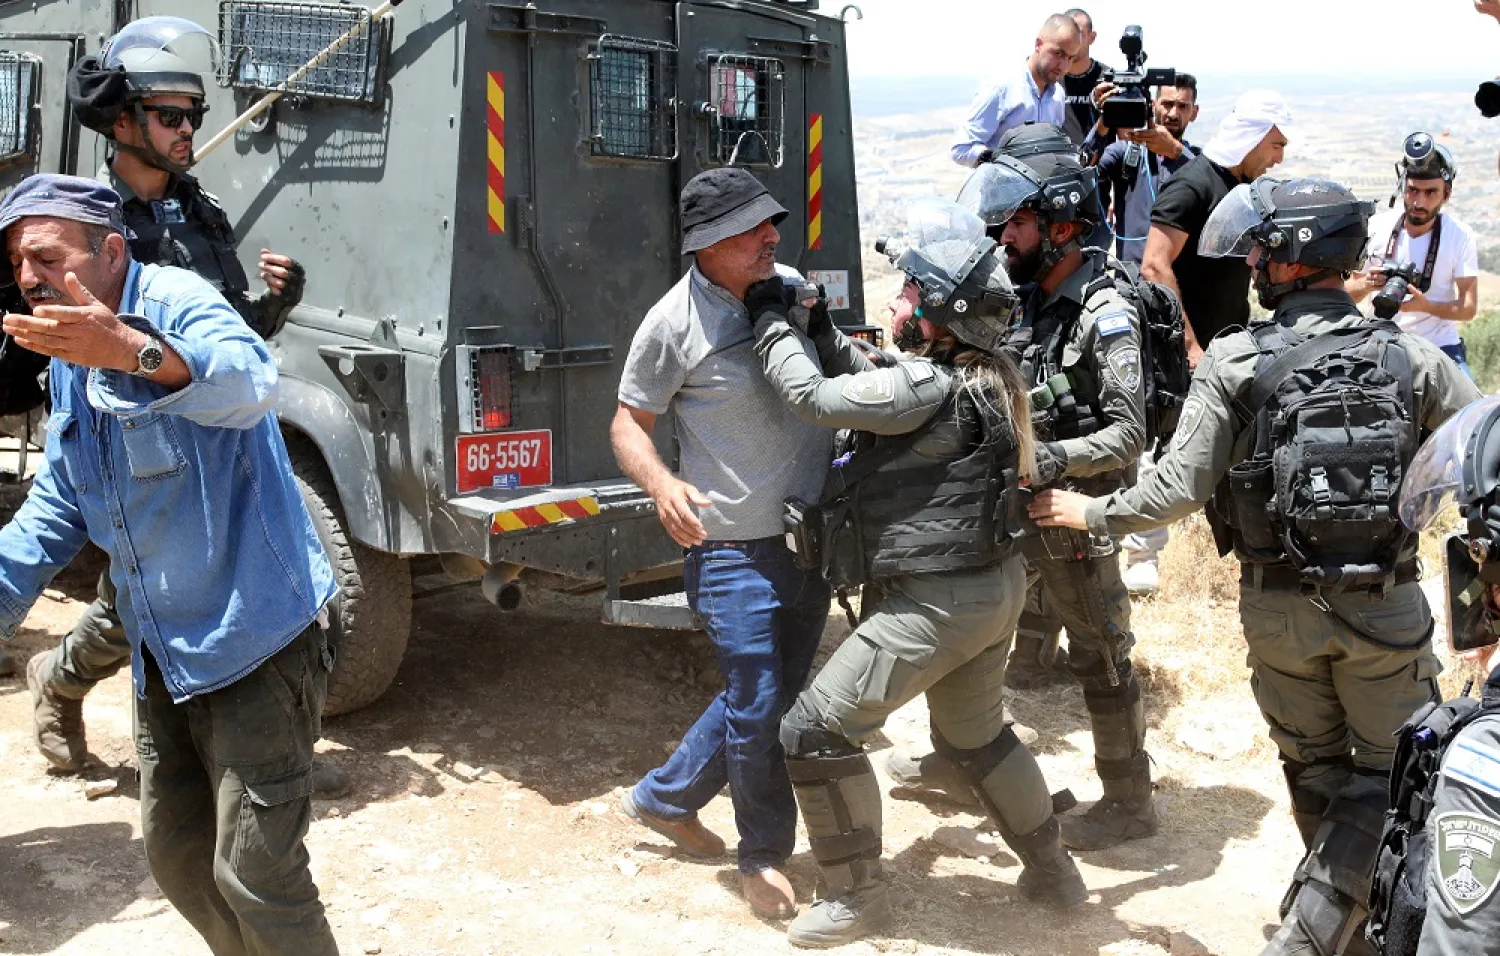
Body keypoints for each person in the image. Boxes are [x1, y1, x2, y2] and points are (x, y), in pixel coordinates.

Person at [1028, 176, 1481, 956]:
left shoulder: (1237, 359)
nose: (1252, 261)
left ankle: (1317, 929)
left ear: (1296, 257)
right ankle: (1349, 928)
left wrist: (1090, 511)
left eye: (1263, 248)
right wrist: (1480, 602)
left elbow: (1176, 488)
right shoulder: (1411, 358)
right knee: (1389, 779)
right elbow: (1481, 463)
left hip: (1275, 613)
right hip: (1387, 608)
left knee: (1314, 770)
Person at [0, 173, 340, 954]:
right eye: (20, 263)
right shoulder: (65, 356)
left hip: (258, 640)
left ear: (111, 252)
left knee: (260, 873)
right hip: (164, 651)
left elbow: (252, 383)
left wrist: (131, 350)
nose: (28, 277)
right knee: (179, 856)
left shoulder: (177, 300)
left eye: (46, 257)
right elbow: (60, 498)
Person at [752, 196, 1087, 947]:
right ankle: (1054, 871)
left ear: (939, 310)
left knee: (814, 730)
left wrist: (771, 319)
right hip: (992, 589)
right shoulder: (983, 375)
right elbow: (873, 379)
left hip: (936, 602)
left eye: (909, 289)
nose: (898, 297)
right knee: (978, 738)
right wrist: (817, 328)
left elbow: (815, 396)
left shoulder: (928, 386)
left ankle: (856, 898)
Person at [24, 16, 332, 790]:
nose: (189, 128)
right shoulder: (85, 229)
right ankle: (69, 688)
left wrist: (273, 307)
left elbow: (222, 345)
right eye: (170, 115)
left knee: (209, 590)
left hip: (215, 439)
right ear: (122, 122)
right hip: (133, 446)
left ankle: (270, 756)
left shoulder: (196, 212)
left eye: (192, 114)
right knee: (144, 594)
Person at [611, 167, 832, 920]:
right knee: (760, 699)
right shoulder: (671, 324)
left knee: (769, 697)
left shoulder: (789, 287)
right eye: (752, 229)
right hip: (733, 549)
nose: (774, 236)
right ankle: (762, 856)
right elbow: (626, 423)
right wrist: (661, 484)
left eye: (772, 222)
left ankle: (663, 797)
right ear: (706, 244)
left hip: (811, 538)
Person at [950, 146, 1158, 852]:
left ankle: (1130, 801)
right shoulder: (1029, 298)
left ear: (1062, 226)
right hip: (1017, 508)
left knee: (1100, 654)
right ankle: (958, 762)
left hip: (1074, 515)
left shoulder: (1105, 310)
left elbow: (1131, 432)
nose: (1000, 238)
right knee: (970, 631)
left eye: (1014, 224)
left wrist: (1050, 461)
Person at [1090, 75, 1201, 595]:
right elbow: (1081, 176)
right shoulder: (1125, 156)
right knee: (1121, 413)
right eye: (1164, 104)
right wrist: (1100, 123)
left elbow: (1205, 181)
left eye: (1181, 106)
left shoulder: (1195, 163)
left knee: (1165, 423)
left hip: (1173, 311)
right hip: (1125, 299)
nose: (1171, 112)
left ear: (1193, 112)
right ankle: (1110, 532)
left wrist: (1170, 148)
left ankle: (1146, 551)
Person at [1141, 89, 1291, 368]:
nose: (1280, 158)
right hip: (1187, 361)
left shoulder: (1242, 187)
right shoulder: (1191, 186)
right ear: (1253, 139)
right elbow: (1153, 265)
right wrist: (1189, 347)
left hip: (1227, 351)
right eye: (1277, 145)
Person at [1346, 133, 1478, 375]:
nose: (1418, 202)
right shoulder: (1376, 227)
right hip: (1378, 337)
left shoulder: (1460, 236)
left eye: (1431, 193)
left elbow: (1468, 308)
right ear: (1402, 187)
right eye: (1413, 190)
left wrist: (1426, 306)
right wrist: (1366, 284)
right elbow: (1345, 294)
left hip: (1440, 344)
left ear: (1446, 194)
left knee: (1468, 407)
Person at [949, 14, 1081, 168]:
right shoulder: (1001, 88)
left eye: (1071, 58)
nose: (1064, 66)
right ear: (1038, 44)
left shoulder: (1058, 95)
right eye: (1059, 54)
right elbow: (961, 149)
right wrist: (1000, 161)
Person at [1060, 8, 1111, 146]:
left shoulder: (1109, 79)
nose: (1073, 39)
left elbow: (1125, 139)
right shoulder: (1051, 77)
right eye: (1068, 33)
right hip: (1058, 163)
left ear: (1092, 37)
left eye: (1079, 33)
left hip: (1101, 165)